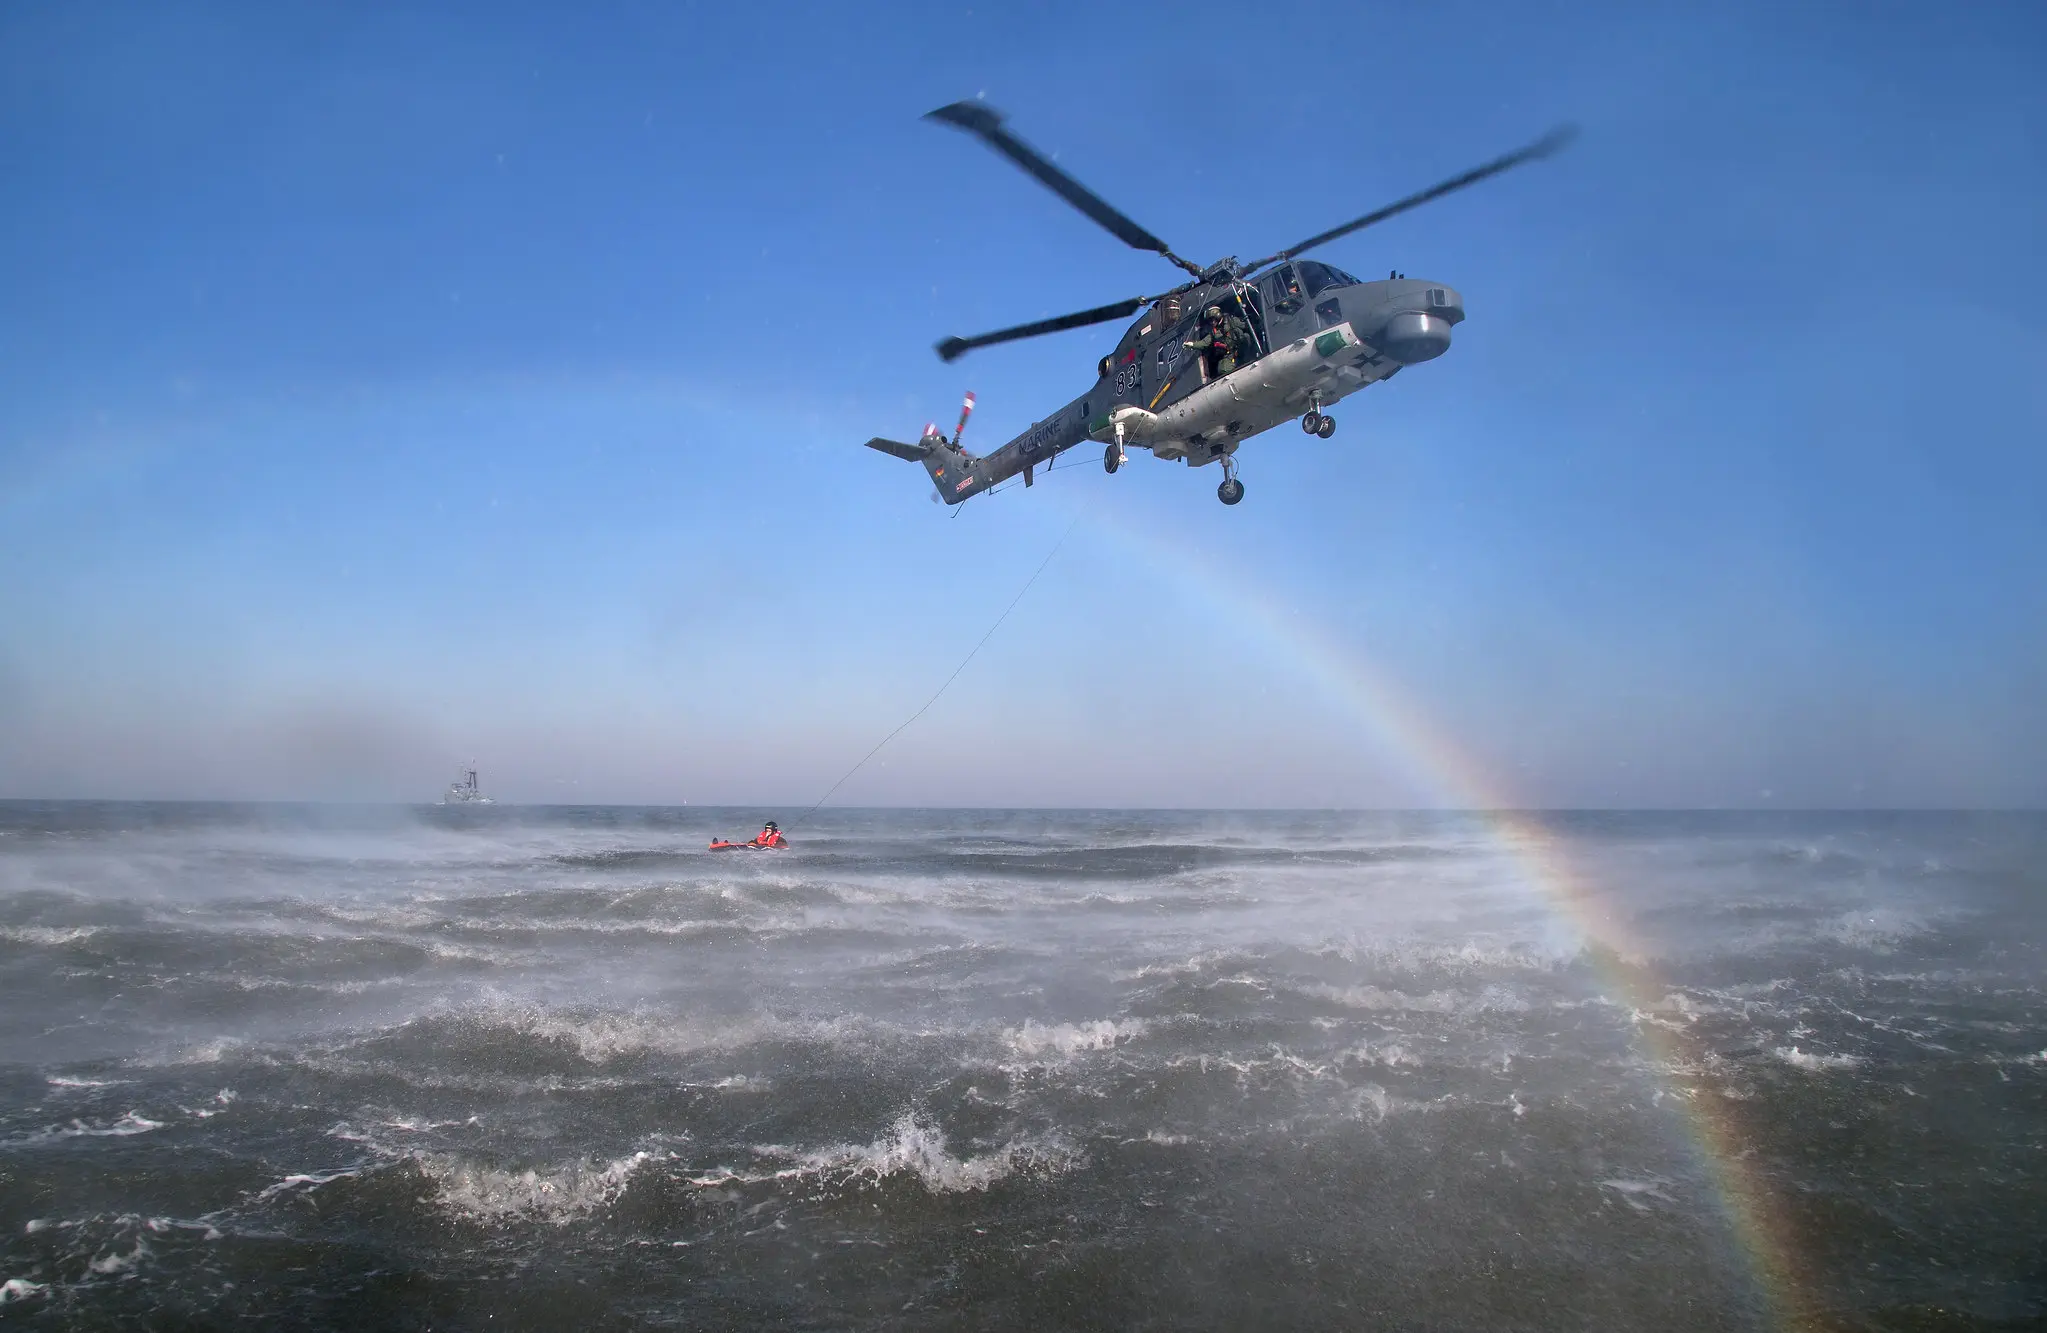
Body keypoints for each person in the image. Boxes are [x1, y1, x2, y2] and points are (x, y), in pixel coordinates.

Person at [1184, 304, 1253, 382]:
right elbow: (1203, 343)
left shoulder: (1232, 321)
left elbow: (1247, 325)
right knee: (1222, 368)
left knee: (1246, 336)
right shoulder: (1213, 333)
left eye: (1212, 319)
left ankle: (1249, 357)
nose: (1212, 322)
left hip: (1242, 346)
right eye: (1210, 321)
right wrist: (1192, 345)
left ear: (1218, 316)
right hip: (1231, 354)